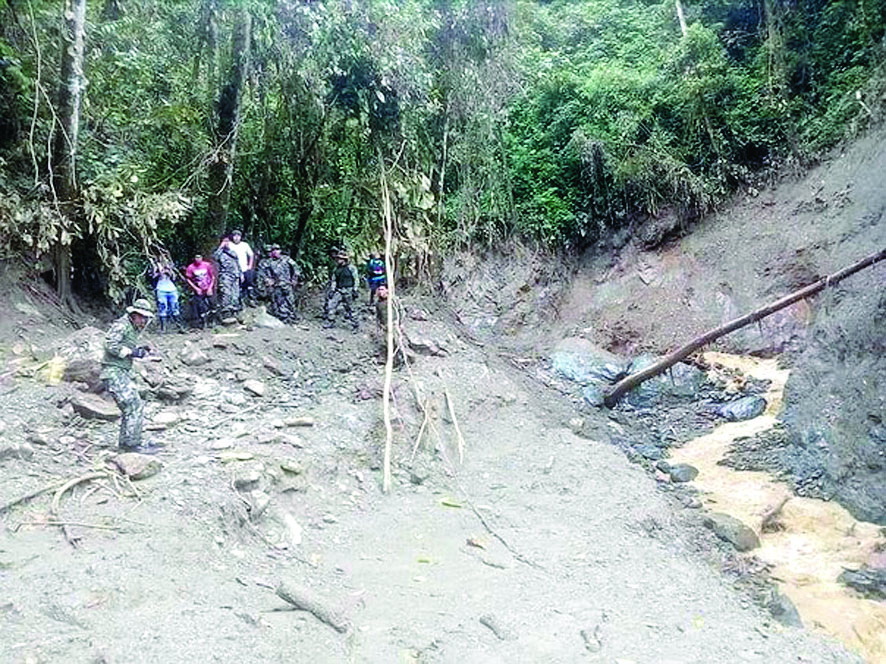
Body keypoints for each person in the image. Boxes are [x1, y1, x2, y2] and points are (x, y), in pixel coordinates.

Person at [100, 298, 159, 452]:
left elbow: (122, 345)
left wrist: (139, 349)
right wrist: (132, 352)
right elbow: (110, 344)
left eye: (146, 317)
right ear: (133, 314)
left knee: (132, 406)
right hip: (113, 371)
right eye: (141, 316)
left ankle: (127, 444)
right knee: (133, 406)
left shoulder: (130, 327)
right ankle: (132, 446)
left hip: (120, 371)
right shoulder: (122, 325)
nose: (144, 320)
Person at [257, 244, 300, 323]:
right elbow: (261, 272)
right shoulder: (268, 262)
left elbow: (296, 268)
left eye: (277, 249)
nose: (275, 252)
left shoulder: (286, 259)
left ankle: (292, 316)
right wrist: (267, 280)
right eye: (273, 250)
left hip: (287, 284)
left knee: (291, 301)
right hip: (277, 285)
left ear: (280, 250)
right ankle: (284, 317)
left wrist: (295, 278)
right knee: (279, 302)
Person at [323, 250, 360, 331]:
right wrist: (332, 290)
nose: (338, 260)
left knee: (351, 308)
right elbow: (334, 280)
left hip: (349, 290)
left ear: (345, 260)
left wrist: (355, 290)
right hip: (339, 290)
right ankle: (330, 321)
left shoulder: (351, 268)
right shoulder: (336, 269)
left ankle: (355, 325)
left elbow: (356, 279)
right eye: (338, 258)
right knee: (331, 305)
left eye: (340, 259)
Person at [213, 235, 242, 320]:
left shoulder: (232, 252)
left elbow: (237, 263)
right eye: (225, 241)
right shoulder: (219, 252)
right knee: (226, 294)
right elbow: (215, 257)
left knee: (235, 295)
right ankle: (225, 313)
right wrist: (221, 247)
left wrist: (241, 274)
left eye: (227, 241)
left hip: (235, 275)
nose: (226, 243)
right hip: (226, 276)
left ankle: (234, 312)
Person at [185, 253, 216, 328]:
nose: (198, 259)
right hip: (199, 289)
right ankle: (202, 323)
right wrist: (196, 288)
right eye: (196, 257)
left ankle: (212, 321)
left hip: (208, 287)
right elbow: (188, 279)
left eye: (199, 257)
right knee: (200, 306)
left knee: (212, 304)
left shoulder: (207, 265)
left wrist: (210, 288)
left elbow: (212, 277)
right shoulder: (191, 267)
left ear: (202, 258)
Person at [152, 259, 183, 333]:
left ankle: (179, 326)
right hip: (161, 289)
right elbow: (153, 277)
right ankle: (163, 328)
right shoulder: (155, 266)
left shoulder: (170, 266)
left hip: (172, 289)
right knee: (163, 307)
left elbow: (175, 277)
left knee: (175, 307)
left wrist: (169, 270)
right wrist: (159, 271)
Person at [228, 229, 256, 306]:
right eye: (235, 236)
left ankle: (251, 300)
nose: (236, 238)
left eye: (238, 236)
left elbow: (251, 255)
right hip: (234, 269)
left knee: (249, 284)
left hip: (244, 268)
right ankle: (238, 302)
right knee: (237, 286)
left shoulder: (245, 245)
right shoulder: (230, 245)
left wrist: (250, 265)